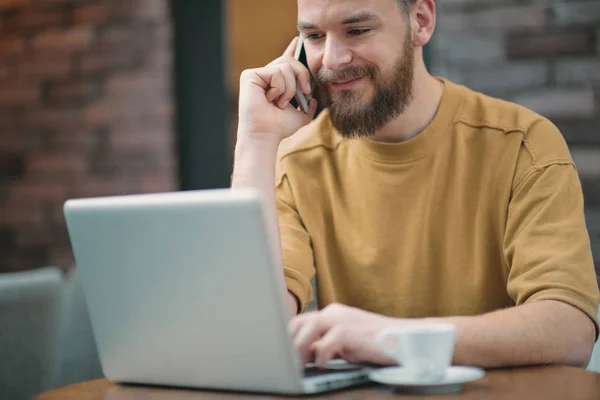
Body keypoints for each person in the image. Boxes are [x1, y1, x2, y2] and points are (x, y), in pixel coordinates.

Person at [231, 0, 600, 369]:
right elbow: (245, 330)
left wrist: (393, 339)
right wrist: (257, 137)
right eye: (313, 36)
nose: (330, 60)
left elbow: (570, 330)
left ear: (421, 21)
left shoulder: (524, 145)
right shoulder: (296, 161)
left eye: (357, 30)